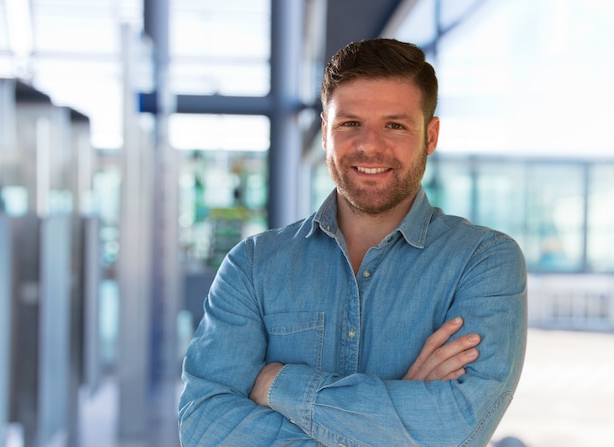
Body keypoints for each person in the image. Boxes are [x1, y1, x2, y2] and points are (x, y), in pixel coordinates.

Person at [178, 38, 527, 446]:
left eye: (394, 125)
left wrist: (277, 383)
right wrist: (397, 424)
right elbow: (204, 425)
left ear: (430, 137)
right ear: (326, 132)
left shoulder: (483, 261)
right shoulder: (253, 265)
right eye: (350, 123)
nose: (369, 145)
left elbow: (456, 429)